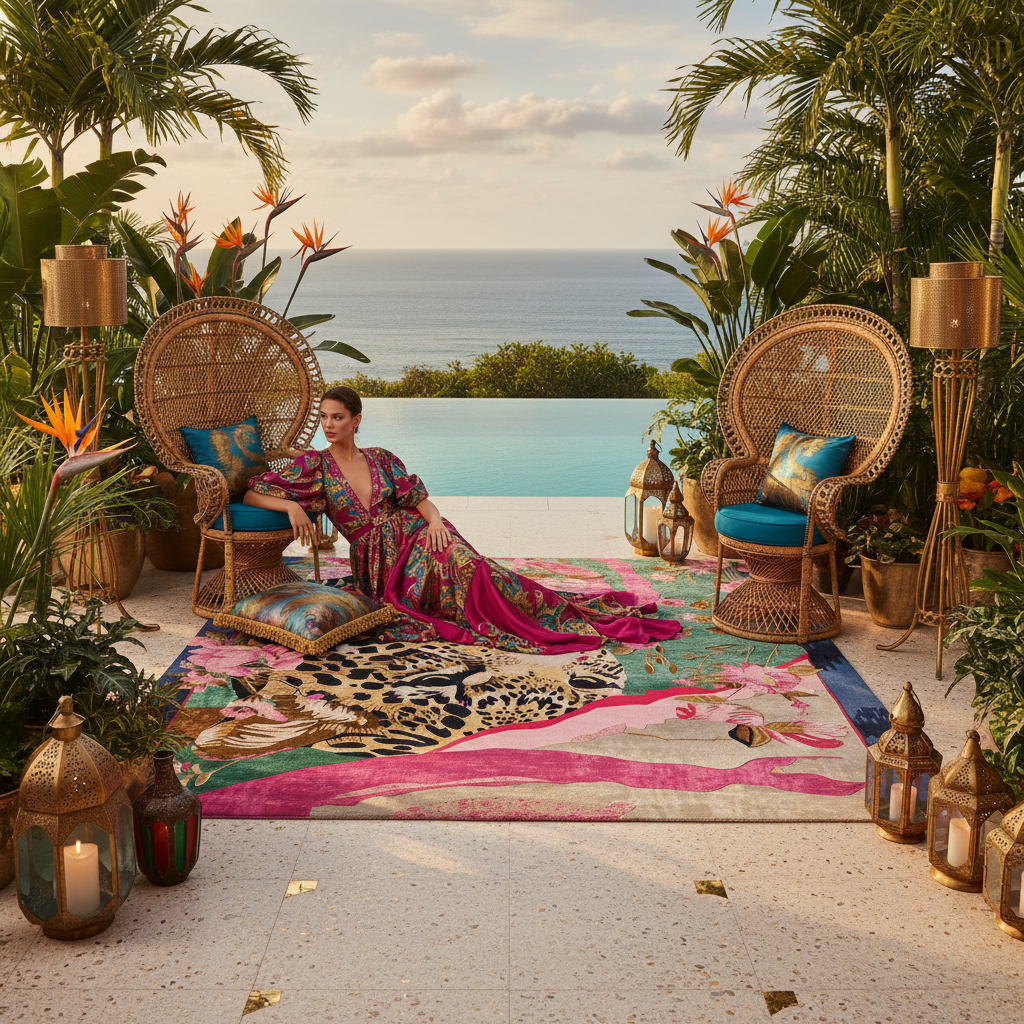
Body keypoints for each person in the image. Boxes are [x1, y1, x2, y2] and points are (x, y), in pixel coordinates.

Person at [243, 386, 681, 654]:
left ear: (357, 421)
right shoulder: (314, 467)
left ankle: (553, 611)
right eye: (324, 417)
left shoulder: (381, 458)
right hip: (380, 563)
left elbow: (420, 500)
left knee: (476, 567)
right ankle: (533, 617)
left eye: (337, 417)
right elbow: (253, 491)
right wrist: (293, 506)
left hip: (420, 534)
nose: (328, 425)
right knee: (465, 574)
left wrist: (435, 522)